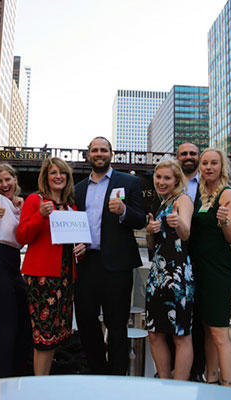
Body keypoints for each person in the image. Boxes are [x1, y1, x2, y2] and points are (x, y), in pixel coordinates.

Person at [74, 136, 146, 375]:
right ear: (88, 155)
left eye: (103, 150)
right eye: (94, 150)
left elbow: (140, 219)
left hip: (117, 265)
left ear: (111, 154)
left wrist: (124, 211)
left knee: (117, 325)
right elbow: (76, 224)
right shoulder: (79, 188)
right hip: (87, 263)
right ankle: (97, 370)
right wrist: (78, 242)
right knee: (85, 320)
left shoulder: (129, 182)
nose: (99, 154)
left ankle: (117, 377)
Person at [16, 157, 86, 375]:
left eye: (62, 173)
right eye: (53, 172)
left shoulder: (71, 206)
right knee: (43, 337)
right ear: (45, 177)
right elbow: (21, 236)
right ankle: (40, 385)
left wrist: (82, 246)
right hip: (42, 278)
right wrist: (40, 216)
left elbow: (74, 241)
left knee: (55, 336)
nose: (58, 176)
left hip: (65, 278)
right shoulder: (35, 201)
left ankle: (43, 381)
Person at [188, 148, 231, 387]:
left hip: (217, 270)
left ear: (222, 167)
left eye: (214, 163)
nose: (209, 167)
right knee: (208, 328)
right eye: (205, 163)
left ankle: (229, 389)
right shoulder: (199, 194)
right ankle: (212, 379)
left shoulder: (228, 195)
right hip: (199, 268)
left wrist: (225, 221)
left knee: (219, 332)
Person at [0, 163, 30, 378]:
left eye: (7, 180)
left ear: (15, 180)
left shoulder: (18, 204)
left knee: (22, 318)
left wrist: (19, 207)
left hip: (13, 263)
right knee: (3, 322)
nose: (4, 184)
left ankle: (17, 370)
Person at [145, 160, 194, 380]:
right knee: (154, 333)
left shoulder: (183, 200)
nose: (161, 182)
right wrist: (150, 231)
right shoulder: (161, 204)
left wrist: (177, 223)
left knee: (180, 334)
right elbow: (151, 246)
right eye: (158, 177)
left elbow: (186, 234)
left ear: (176, 180)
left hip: (177, 274)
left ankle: (179, 389)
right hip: (157, 274)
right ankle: (164, 384)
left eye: (167, 178)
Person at [176, 142, 205, 382]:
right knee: (176, 317)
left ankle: (197, 371)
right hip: (175, 262)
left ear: (199, 157)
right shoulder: (171, 185)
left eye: (192, 154)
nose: (188, 157)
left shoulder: (208, 185)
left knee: (200, 317)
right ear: (178, 158)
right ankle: (177, 370)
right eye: (183, 154)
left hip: (200, 258)